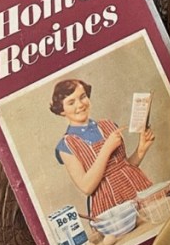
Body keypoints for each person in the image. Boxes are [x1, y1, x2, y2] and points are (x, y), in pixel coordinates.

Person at [50, 78, 155, 219]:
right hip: (111, 205)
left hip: (138, 188)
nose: (80, 104)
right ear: (62, 110)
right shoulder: (66, 145)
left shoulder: (108, 125)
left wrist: (141, 150)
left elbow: (125, 167)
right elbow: (86, 187)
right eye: (71, 102)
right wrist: (107, 148)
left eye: (83, 97)